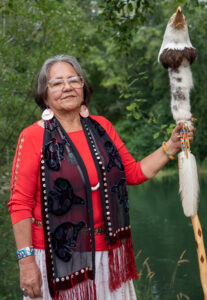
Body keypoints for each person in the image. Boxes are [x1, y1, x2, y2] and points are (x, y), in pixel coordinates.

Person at [8, 54, 195, 300]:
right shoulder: (33, 136)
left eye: (74, 80)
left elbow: (135, 173)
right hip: (57, 260)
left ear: (84, 88)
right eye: (57, 82)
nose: (67, 87)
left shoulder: (102, 128)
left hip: (107, 254)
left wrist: (171, 146)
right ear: (44, 93)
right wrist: (26, 262)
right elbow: (19, 205)